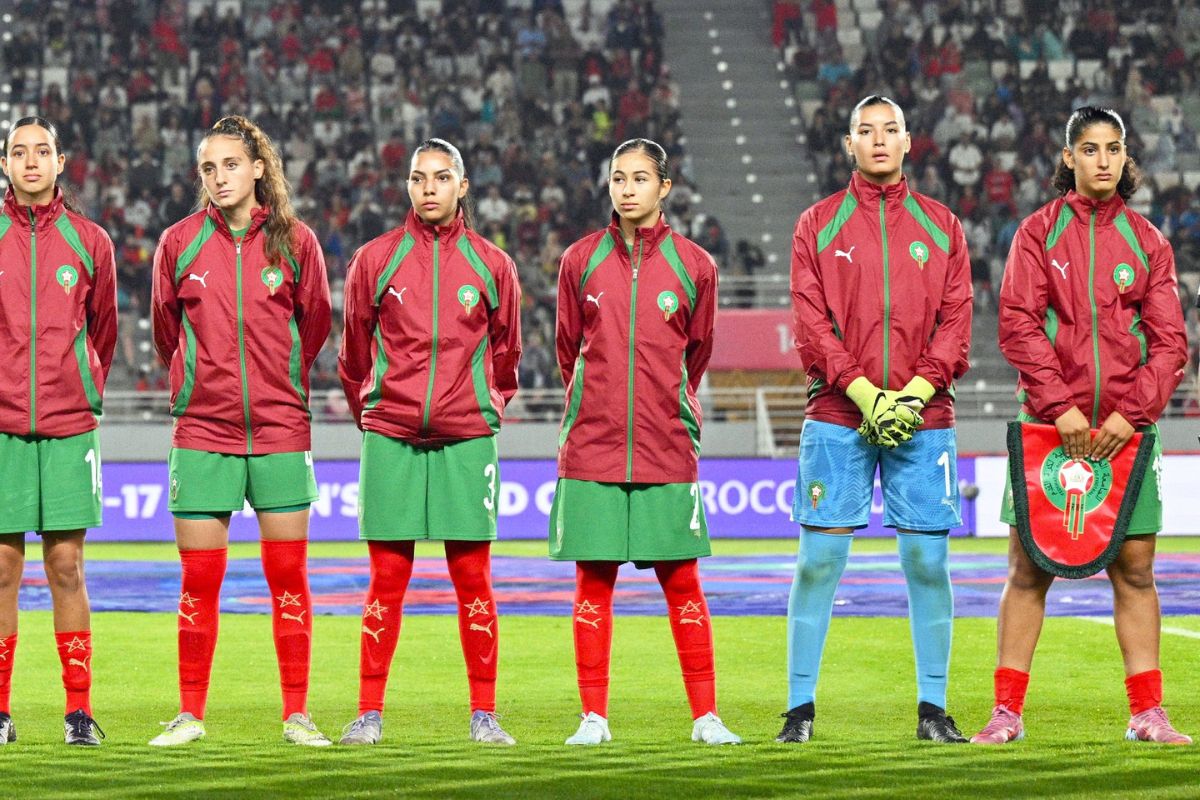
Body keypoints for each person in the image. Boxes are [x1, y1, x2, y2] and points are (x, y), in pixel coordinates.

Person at [974, 106, 1191, 745]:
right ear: (1069, 158)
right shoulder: (1036, 234)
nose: (1102, 158)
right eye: (1089, 148)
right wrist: (1061, 409)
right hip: (1048, 426)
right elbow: (1016, 325)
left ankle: (1148, 713)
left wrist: (1132, 416)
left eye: (1113, 148)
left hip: (1127, 430)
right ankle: (1006, 713)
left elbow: (1171, 343)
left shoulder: (1149, 241)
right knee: (1027, 568)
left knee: (1136, 569)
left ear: (1125, 158)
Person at [783, 95, 973, 744]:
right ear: (849, 145)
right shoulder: (816, 224)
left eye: (890, 130)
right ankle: (800, 710)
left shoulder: (944, 226)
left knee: (926, 560)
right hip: (839, 411)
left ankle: (933, 709)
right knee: (818, 561)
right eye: (867, 131)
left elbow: (957, 327)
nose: (879, 140)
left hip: (925, 416)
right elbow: (812, 327)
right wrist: (869, 396)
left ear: (909, 141)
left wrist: (910, 397)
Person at [550, 138, 740, 747]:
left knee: (682, 580)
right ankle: (593, 718)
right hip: (592, 446)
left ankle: (706, 717)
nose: (626, 188)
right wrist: (600, 404)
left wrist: (666, 404)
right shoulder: (579, 260)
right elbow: (566, 351)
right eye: (617, 178)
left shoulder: (696, 266)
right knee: (593, 581)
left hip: (665, 446)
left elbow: (698, 354)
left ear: (665, 188)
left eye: (639, 178)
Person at [149, 116, 332, 746]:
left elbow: (314, 328)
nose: (219, 178)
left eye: (231, 164)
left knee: (289, 579)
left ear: (258, 168)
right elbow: (164, 334)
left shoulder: (297, 242)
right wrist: (207, 385)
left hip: (281, 431)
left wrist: (277, 385)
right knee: (199, 581)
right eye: (208, 168)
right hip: (202, 430)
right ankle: (190, 715)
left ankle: (297, 715)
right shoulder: (178, 244)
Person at [337, 138, 522, 746]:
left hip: (466, 439)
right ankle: (368, 712)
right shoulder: (374, 259)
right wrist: (372, 411)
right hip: (390, 434)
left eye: (441, 178)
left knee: (474, 577)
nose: (429, 189)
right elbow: (352, 352)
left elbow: (508, 351)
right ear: (408, 186)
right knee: (386, 577)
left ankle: (484, 713)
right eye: (419, 179)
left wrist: (486, 405)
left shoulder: (493, 265)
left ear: (462, 186)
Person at [0, 116, 117, 747]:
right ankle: (0, 713)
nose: (30, 162)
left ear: (60, 161)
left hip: (70, 424)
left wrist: (77, 384)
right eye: (19, 152)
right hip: (1, 428)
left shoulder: (89, 240)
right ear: (6, 165)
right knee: (1, 569)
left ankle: (78, 713)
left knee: (68, 565)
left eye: (41, 151)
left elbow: (103, 331)